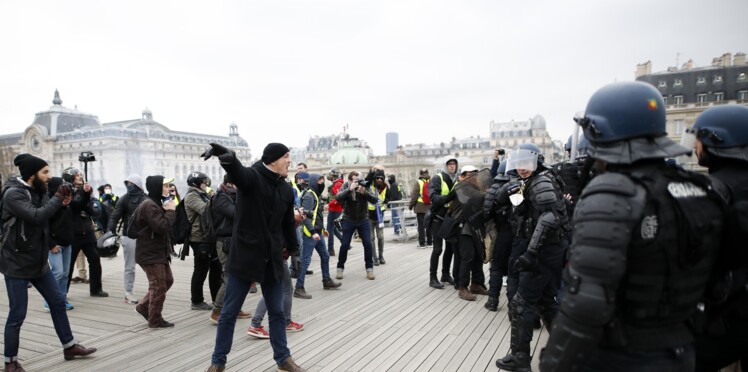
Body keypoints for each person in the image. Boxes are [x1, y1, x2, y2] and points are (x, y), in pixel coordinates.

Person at [538, 82, 725, 372]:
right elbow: (718, 284)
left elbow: (587, 301)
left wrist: (554, 363)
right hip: (681, 349)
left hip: (621, 354)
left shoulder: (611, 195)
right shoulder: (699, 188)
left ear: (598, 132)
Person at [202, 142, 306, 372]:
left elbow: (288, 224)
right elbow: (238, 172)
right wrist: (227, 157)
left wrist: (295, 251)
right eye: (286, 157)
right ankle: (218, 362)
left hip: (273, 259)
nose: (290, 161)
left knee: (277, 312)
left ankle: (283, 359)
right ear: (273, 160)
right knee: (228, 313)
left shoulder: (286, 190)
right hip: (246, 258)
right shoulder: (252, 178)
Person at [1, 154, 97, 371]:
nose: (49, 176)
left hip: (37, 261)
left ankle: (69, 346)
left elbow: (48, 219)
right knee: (17, 314)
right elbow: (35, 216)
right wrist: (56, 198)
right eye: (44, 172)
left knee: (57, 302)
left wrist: (62, 204)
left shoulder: (38, 192)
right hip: (16, 263)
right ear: (31, 174)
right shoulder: (13, 194)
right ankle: (10, 362)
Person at [496, 143, 569, 371]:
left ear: (537, 161)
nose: (522, 168)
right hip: (549, 249)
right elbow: (511, 206)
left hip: (544, 251)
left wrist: (531, 253)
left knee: (521, 302)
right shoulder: (530, 181)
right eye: (518, 163)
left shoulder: (542, 181)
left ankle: (520, 358)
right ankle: (567, 351)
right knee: (546, 302)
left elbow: (549, 218)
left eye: (527, 163)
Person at [688, 104, 748, 371]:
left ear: (716, 140)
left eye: (698, 139)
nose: (694, 147)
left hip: (723, 320)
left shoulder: (712, 190)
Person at [132, 175, 178, 328]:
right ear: (157, 187)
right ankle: (155, 319)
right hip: (150, 253)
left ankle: (143, 306)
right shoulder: (150, 205)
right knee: (158, 285)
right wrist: (171, 211)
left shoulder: (155, 204)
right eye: (165, 186)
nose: (169, 189)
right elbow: (162, 227)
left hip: (158, 252)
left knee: (167, 281)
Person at [210, 175, 252, 323]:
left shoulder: (231, 195)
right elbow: (236, 214)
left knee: (240, 277)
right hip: (224, 242)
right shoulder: (221, 197)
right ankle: (217, 311)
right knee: (229, 278)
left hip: (234, 241)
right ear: (230, 183)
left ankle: (235, 307)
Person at [294, 173, 341, 299]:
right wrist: (313, 232)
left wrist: (321, 230)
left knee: (325, 256)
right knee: (305, 260)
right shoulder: (310, 196)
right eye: (320, 181)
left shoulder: (314, 194)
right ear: (314, 182)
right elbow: (305, 217)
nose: (322, 183)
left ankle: (326, 280)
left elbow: (316, 215)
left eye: (322, 181)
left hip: (317, 232)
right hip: (311, 233)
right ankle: (299, 287)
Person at [63, 167, 108, 298]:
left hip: (87, 231)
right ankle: (63, 292)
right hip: (73, 233)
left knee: (95, 260)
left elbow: (94, 211)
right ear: (69, 178)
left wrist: (89, 200)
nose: (80, 176)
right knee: (69, 265)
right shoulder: (66, 191)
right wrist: (86, 195)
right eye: (76, 175)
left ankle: (96, 289)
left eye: (80, 175)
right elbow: (76, 205)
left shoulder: (86, 191)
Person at [184, 171, 221, 311]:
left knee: (216, 269)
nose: (206, 184)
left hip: (208, 237)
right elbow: (204, 209)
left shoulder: (203, 194)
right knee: (201, 269)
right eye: (204, 182)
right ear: (196, 182)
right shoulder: (192, 196)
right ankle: (197, 301)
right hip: (199, 238)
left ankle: (216, 299)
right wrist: (216, 198)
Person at [482, 160, 516, 311]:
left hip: (501, 232)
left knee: (496, 267)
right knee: (515, 271)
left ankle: (492, 300)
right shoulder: (521, 185)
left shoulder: (493, 188)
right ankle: (512, 306)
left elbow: (486, 213)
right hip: (518, 234)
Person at [107, 174, 146, 304]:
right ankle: (128, 293)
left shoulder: (146, 199)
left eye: (132, 183)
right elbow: (115, 215)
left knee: (149, 264)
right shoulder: (124, 199)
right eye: (127, 183)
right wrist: (110, 231)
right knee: (130, 267)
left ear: (138, 185)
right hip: (128, 237)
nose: (129, 186)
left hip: (144, 238)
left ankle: (154, 290)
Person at [335, 171, 379, 281]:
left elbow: (374, 199)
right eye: (355, 180)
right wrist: (349, 189)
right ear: (350, 180)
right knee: (344, 244)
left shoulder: (364, 185)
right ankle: (340, 268)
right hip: (349, 219)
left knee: (368, 244)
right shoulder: (345, 186)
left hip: (363, 219)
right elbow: (338, 198)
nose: (358, 182)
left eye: (358, 180)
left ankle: (369, 269)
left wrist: (365, 192)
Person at [45, 177, 75, 311]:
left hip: (67, 242)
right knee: (57, 272)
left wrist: (66, 204)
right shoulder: (48, 203)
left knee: (65, 274)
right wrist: (51, 244)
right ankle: (48, 300)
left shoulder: (65, 203)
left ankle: (62, 299)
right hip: (54, 244)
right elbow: (43, 226)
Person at [428, 158, 458, 288]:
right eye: (449, 164)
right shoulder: (437, 178)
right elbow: (433, 197)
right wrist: (448, 198)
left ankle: (445, 274)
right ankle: (432, 277)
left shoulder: (457, 179)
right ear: (445, 166)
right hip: (438, 218)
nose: (452, 166)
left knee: (450, 248)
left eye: (454, 164)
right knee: (438, 249)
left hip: (451, 218)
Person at [367, 169, 389, 265]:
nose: (379, 180)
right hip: (369, 215)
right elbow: (367, 179)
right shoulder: (370, 185)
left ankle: (381, 256)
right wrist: (372, 171)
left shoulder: (385, 187)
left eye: (381, 178)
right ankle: (374, 257)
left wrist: (385, 203)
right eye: (377, 178)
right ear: (374, 179)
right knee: (371, 238)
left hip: (379, 215)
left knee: (380, 237)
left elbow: (388, 198)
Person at [409, 169, 432, 249]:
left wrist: (410, 206)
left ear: (420, 174)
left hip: (420, 207)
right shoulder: (431, 181)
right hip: (430, 206)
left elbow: (414, 196)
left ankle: (422, 243)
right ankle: (430, 242)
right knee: (429, 224)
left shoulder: (418, 182)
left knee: (421, 226)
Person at [325, 168, 344, 257]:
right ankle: (343, 241)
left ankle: (331, 249)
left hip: (335, 210)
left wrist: (329, 205)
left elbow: (338, 198)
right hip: (334, 209)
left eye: (331, 175)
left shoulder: (338, 184)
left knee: (331, 229)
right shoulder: (337, 183)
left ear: (334, 176)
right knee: (332, 228)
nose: (329, 176)